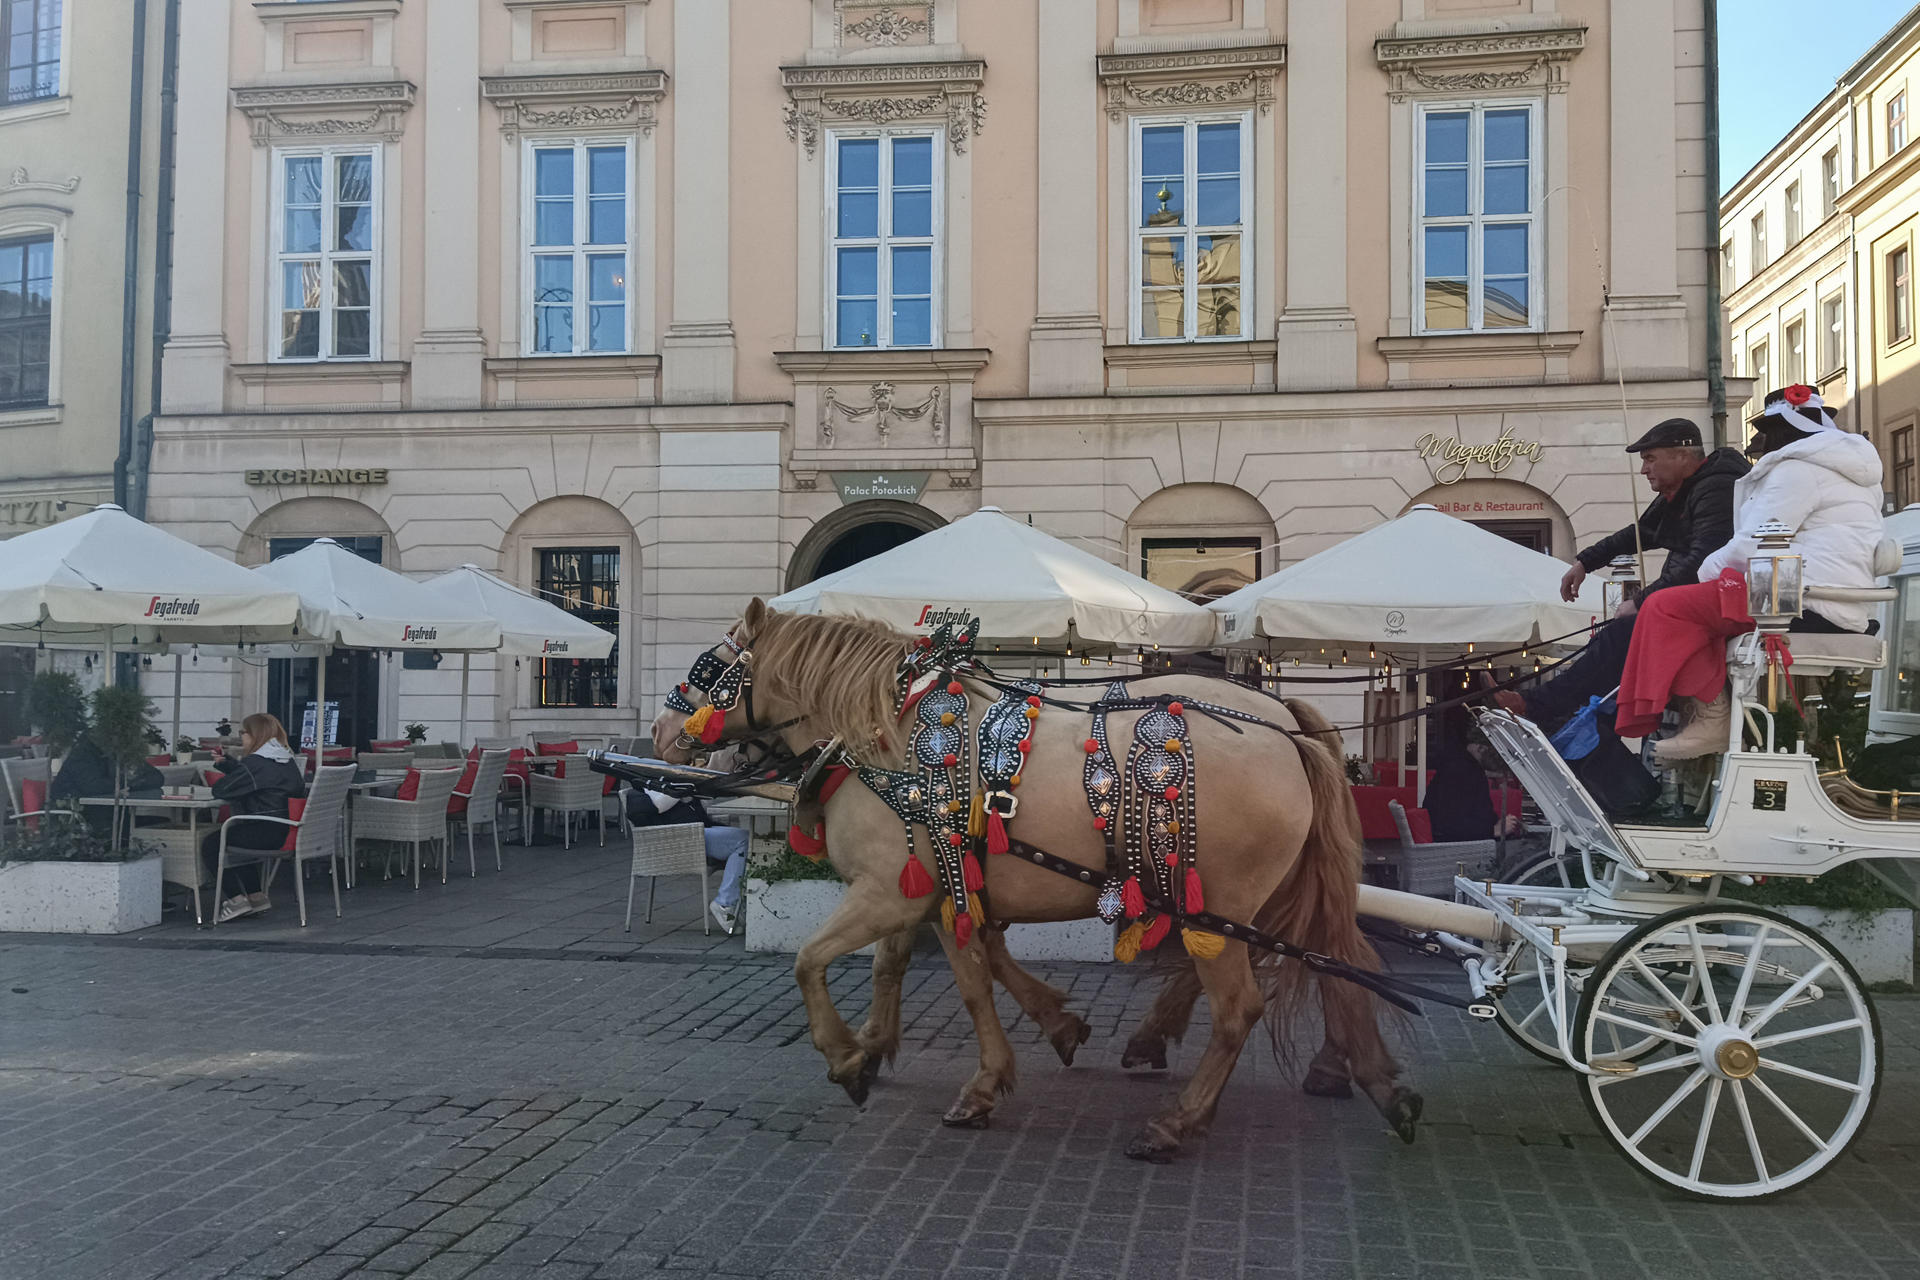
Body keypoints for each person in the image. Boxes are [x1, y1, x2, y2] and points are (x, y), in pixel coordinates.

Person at [1615, 386, 1884, 762]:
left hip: (1800, 598)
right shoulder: (1849, 471)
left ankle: (1711, 717)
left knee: (1666, 608)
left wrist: (1707, 574)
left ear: (1781, 433)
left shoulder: (1798, 470)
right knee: (1683, 608)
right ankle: (1705, 718)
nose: (1761, 447)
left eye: (1766, 436)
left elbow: (1755, 543)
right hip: (1827, 596)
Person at [1495, 418, 1749, 728]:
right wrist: (1585, 562)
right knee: (1611, 641)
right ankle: (1546, 710)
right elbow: (1639, 534)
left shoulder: (1716, 487)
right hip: (1693, 606)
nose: (1644, 469)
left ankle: (1537, 708)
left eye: (1650, 458)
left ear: (1683, 455)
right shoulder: (1690, 487)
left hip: (1713, 608)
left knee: (1617, 639)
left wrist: (1642, 601)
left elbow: (1704, 559)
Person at [201, 713, 306, 923]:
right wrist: (230, 766)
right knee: (238, 834)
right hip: (289, 829)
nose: (242, 737)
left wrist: (229, 772)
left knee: (213, 843)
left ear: (255, 735)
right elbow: (258, 779)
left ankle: (235, 900)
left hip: (267, 831)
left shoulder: (256, 762)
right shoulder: (285, 758)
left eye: (244, 732)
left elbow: (221, 790)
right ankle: (256, 897)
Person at [625, 781, 752, 935]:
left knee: (748, 838)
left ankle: (736, 900)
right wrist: (686, 786)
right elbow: (660, 804)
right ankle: (726, 903)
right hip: (682, 838)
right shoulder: (652, 782)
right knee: (744, 841)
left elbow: (700, 806)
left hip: (692, 831)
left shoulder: (666, 777)